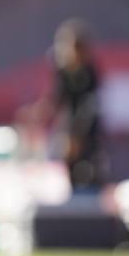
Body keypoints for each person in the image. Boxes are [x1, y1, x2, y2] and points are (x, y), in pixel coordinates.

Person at [50, 19, 102, 190]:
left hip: (88, 132)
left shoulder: (90, 73)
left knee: (89, 170)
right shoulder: (63, 73)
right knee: (68, 170)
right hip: (68, 129)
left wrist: (78, 136)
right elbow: (58, 101)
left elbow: (90, 107)